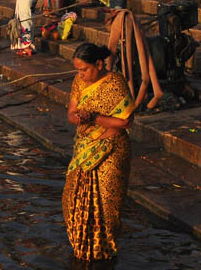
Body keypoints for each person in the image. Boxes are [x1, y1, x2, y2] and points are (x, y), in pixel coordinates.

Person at [62, 42, 134, 263]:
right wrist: (80, 118)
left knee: (106, 207)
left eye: (84, 69)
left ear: (99, 64)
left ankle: (104, 253)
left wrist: (95, 118)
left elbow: (125, 121)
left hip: (112, 150)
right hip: (85, 148)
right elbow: (71, 113)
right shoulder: (78, 82)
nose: (81, 74)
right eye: (78, 70)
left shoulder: (116, 83)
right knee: (71, 199)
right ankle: (82, 249)